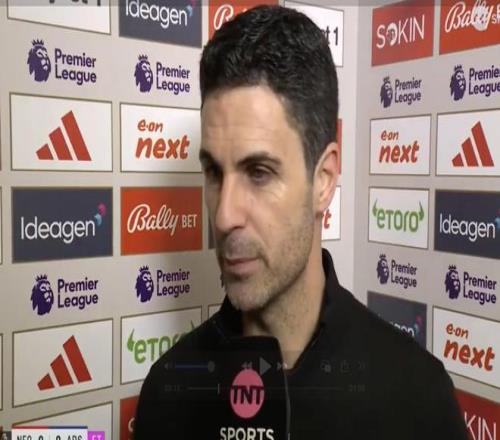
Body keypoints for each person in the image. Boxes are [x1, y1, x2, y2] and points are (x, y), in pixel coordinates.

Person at [134, 5, 468, 439]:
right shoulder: (168, 392)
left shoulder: (416, 397)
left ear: (323, 180)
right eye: (214, 172)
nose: (224, 215)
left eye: (258, 172)